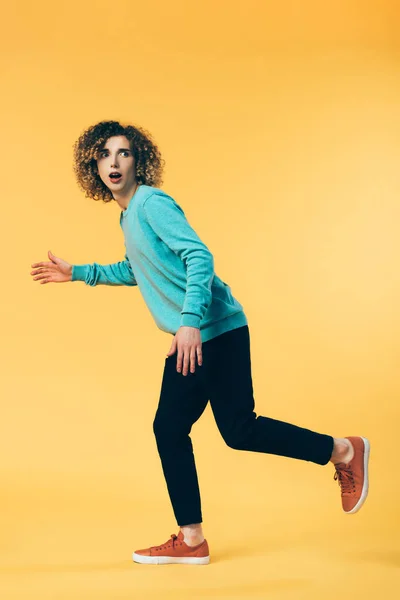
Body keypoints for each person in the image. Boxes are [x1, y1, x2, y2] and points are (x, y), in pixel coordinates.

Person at [30, 120, 370, 566]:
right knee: (170, 427)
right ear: (93, 165)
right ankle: (192, 540)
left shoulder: (151, 203)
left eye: (123, 153)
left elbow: (198, 256)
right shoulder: (128, 214)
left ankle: (344, 449)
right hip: (193, 338)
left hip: (216, 330)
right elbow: (138, 270)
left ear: (139, 161)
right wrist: (79, 272)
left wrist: (189, 321)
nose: (113, 162)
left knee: (238, 430)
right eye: (104, 154)